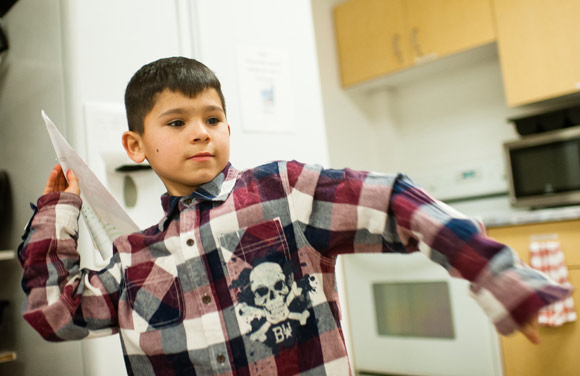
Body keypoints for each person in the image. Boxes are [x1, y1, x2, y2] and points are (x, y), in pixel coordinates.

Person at [19, 57, 571, 375]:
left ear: (229, 129)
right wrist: (58, 209)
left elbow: (395, 201)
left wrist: (492, 269)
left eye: (213, 117)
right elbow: (52, 315)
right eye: (176, 121)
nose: (200, 131)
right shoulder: (132, 256)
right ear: (135, 145)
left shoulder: (284, 193)